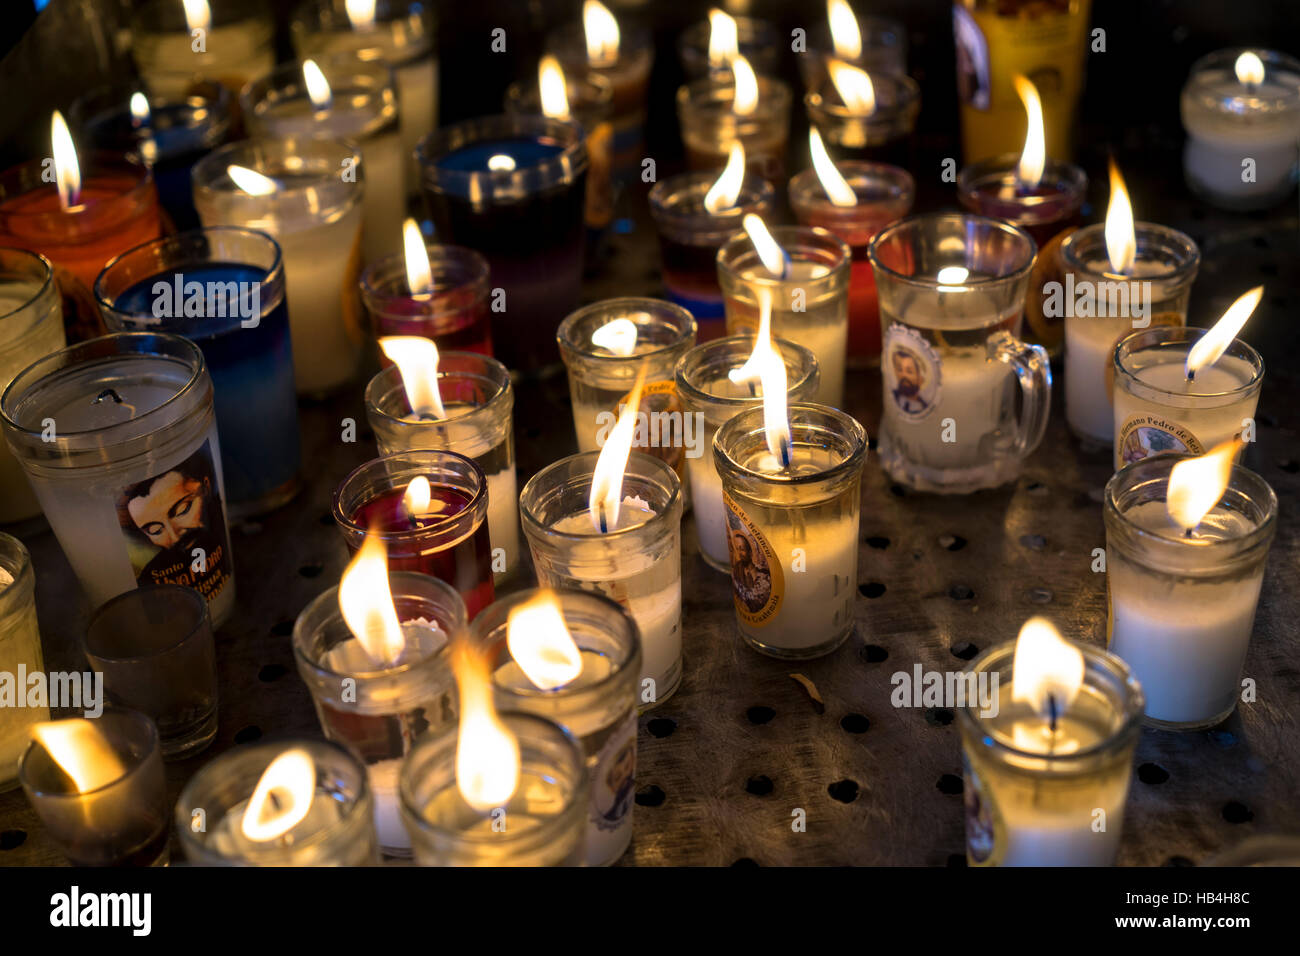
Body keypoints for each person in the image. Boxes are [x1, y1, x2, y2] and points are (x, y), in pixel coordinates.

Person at [730, 530, 772, 614]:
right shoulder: (737, 570)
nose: (739, 554)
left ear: (750, 552)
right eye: (737, 549)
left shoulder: (763, 576)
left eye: (742, 549)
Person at [890, 347, 931, 416]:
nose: (903, 375)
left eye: (909, 371)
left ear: (920, 379)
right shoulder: (893, 397)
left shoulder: (924, 407)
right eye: (900, 369)